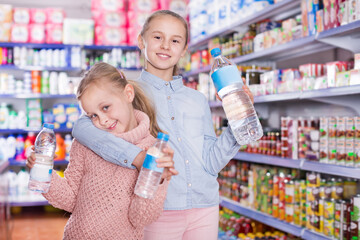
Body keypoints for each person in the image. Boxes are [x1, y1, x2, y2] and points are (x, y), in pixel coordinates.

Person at [72, 10, 254, 240]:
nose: (166, 45)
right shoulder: (129, 93)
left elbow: (211, 162)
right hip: (158, 209)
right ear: (141, 41)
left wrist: (240, 117)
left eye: (175, 40)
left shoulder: (197, 99)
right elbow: (82, 127)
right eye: (158, 37)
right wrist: (138, 157)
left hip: (205, 207)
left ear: (184, 50)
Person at [26, 62, 178, 240]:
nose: (102, 120)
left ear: (128, 94)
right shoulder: (85, 144)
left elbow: (140, 219)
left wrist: (156, 181)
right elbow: (71, 199)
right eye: (93, 116)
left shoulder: (152, 150)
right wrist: (43, 173)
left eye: (105, 107)